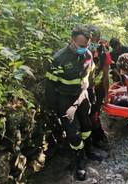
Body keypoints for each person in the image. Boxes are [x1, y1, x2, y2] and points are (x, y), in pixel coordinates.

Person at [44, 24, 101, 181]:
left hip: (82, 96)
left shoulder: (88, 55)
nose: (85, 48)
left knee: (87, 126)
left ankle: (88, 150)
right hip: (65, 99)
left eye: (87, 45)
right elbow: (50, 86)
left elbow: (90, 77)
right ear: (72, 40)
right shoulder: (59, 59)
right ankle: (79, 162)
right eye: (82, 45)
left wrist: (92, 94)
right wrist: (53, 108)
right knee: (74, 135)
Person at [87, 25, 112, 150]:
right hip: (83, 89)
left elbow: (106, 76)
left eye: (94, 38)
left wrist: (107, 94)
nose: (92, 41)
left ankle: (98, 138)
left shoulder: (104, 52)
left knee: (94, 114)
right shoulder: (80, 50)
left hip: (97, 88)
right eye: (90, 38)